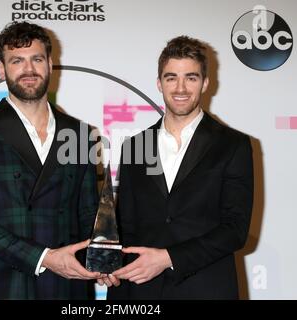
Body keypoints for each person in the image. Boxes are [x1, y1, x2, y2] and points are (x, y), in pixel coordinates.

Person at [0, 21, 101, 300]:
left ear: (50, 64)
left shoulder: (80, 134)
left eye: (37, 59)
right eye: (17, 60)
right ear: (2, 69)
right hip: (4, 286)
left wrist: (102, 258)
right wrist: (43, 257)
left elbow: (89, 215)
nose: (28, 69)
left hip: (68, 288)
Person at [107, 36, 254, 299]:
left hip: (206, 288)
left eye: (191, 77)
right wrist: (111, 264)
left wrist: (169, 258)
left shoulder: (233, 145)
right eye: (171, 77)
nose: (181, 88)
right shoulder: (135, 146)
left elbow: (235, 230)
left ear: (206, 83)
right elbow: (126, 227)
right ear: (159, 83)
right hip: (142, 291)